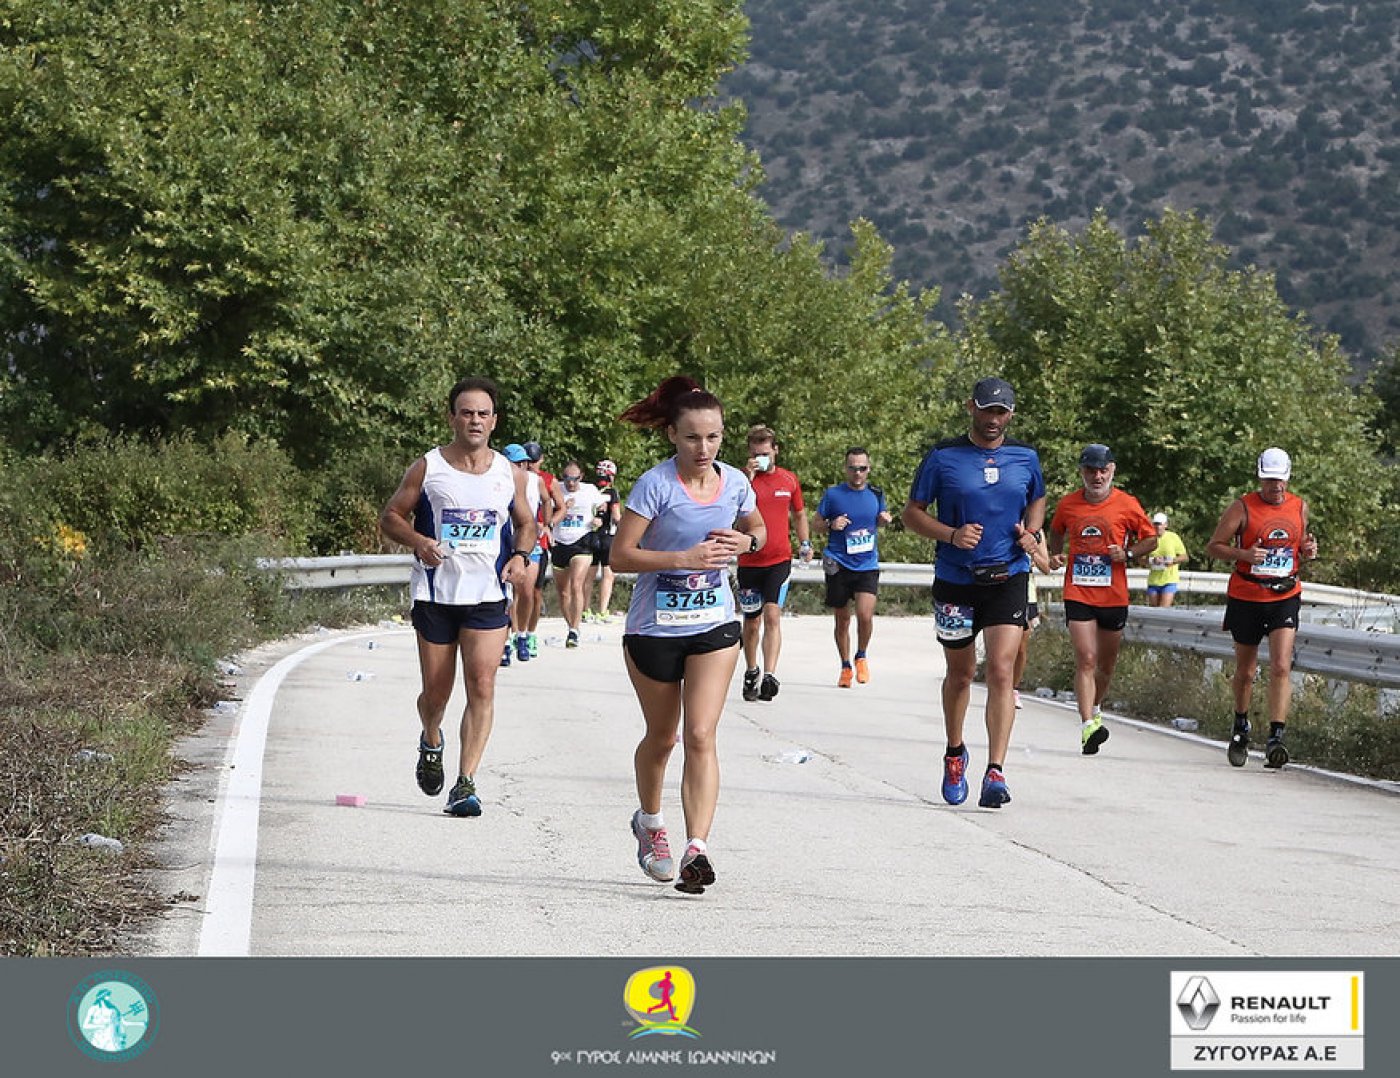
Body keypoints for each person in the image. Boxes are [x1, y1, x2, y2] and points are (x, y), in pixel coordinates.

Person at [611, 375, 764, 895]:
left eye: (714, 437)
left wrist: (746, 541)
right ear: (673, 435)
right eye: (693, 437)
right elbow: (621, 556)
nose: (704, 448)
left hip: (713, 623)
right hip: (654, 627)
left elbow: (759, 530)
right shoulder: (655, 485)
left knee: (700, 734)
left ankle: (697, 848)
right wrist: (683, 558)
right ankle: (650, 824)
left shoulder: (736, 483)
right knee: (663, 737)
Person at [379, 376, 538, 816]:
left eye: (483, 414)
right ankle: (431, 739)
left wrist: (521, 556)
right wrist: (419, 541)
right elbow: (391, 517)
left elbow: (526, 523)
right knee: (436, 694)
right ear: (451, 417)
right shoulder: (428, 467)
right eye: (466, 413)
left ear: (494, 421)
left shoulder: (509, 473)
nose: (475, 420)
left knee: (482, 684)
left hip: (487, 593)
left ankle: (466, 783)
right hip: (436, 594)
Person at [902, 377, 1047, 809]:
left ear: (1011, 415)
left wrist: (1032, 532)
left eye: (1001, 412)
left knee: (1002, 670)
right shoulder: (943, 457)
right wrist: (951, 534)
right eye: (987, 410)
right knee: (961, 674)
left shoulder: (1025, 457)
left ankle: (996, 771)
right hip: (956, 580)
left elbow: (1037, 498)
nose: (993, 419)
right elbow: (911, 514)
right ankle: (955, 752)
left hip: (1008, 575)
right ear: (971, 408)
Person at [1204, 448, 1318, 770]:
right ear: (1260, 478)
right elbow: (1213, 547)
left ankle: (1276, 738)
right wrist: (1242, 555)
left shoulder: (1299, 507)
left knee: (1281, 665)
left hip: (1285, 594)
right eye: (1269, 480)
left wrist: (1307, 549)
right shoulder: (1242, 507)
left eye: (1280, 480)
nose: (1275, 486)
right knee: (1247, 670)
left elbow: (1297, 546)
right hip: (1247, 595)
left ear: (1288, 478)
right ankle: (1241, 725)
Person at [1048, 443, 1157, 756]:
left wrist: (1128, 554)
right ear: (1081, 472)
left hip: (1113, 595)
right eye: (1090, 471)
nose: (1097, 477)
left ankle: (1095, 708)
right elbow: (1056, 530)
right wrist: (1056, 553)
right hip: (1078, 591)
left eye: (1103, 470)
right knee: (1086, 658)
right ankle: (1087, 726)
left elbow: (1151, 539)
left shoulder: (1127, 504)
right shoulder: (1069, 504)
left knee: (1106, 665)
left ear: (1112, 470)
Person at [737, 425, 812, 703]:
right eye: (756, 454)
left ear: (775, 451)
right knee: (752, 622)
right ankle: (751, 669)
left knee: (772, 615)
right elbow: (732, 515)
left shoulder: (788, 480)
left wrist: (805, 543)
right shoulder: (741, 481)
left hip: (778, 559)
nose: (761, 458)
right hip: (749, 560)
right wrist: (747, 479)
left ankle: (770, 674)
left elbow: (799, 514)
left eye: (766, 454)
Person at [814, 447, 892, 688]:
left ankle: (861, 655)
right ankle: (845, 666)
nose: (857, 473)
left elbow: (880, 518)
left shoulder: (876, 493)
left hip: (866, 564)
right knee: (842, 620)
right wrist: (831, 524)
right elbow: (816, 524)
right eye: (853, 468)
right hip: (839, 563)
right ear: (845, 469)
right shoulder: (833, 494)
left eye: (862, 468)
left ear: (869, 469)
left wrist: (884, 520)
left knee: (865, 615)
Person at [550, 461, 610, 648]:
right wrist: (562, 508)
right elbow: (545, 512)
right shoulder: (556, 489)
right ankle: (571, 626)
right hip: (560, 542)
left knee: (577, 584)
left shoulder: (589, 490)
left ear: (581, 477)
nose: (570, 483)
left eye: (574, 479)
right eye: (566, 478)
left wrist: (599, 517)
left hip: (582, 542)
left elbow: (603, 505)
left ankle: (575, 630)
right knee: (563, 592)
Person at [522, 441, 563, 658]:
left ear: (542, 460)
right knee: (517, 591)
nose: (531, 465)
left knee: (535, 592)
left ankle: (531, 632)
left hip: (540, 541)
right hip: (519, 538)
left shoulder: (548, 480)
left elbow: (561, 507)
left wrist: (549, 525)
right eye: (528, 461)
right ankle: (515, 633)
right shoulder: (516, 477)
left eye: (535, 461)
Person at [1013, 529, 1053, 710]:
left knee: (1021, 647)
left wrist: (1032, 552)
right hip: (1002, 586)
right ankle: (999, 684)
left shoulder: (1037, 532)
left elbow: (1046, 568)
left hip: (1026, 591)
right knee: (1002, 645)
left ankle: (1013, 689)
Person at [587, 458, 624, 622]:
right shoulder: (612, 492)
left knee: (589, 575)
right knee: (608, 575)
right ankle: (602, 611)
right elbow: (616, 516)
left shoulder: (590, 490)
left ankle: (585, 610)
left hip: (590, 535)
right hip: (608, 536)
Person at [1146, 511, 1190, 607]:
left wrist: (1169, 561)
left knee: (1163, 610)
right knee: (1153, 611)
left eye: (1160, 524)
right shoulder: (1149, 539)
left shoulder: (1173, 537)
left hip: (1169, 580)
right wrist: (1152, 561)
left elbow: (1184, 557)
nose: (1158, 527)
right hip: (1154, 580)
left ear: (1165, 525)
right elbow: (1140, 559)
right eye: (1155, 524)